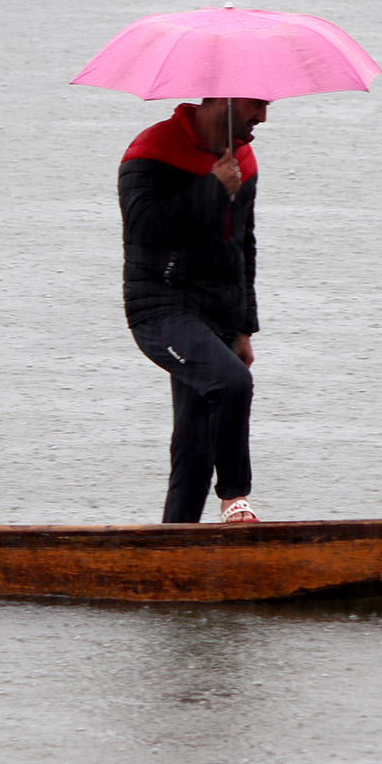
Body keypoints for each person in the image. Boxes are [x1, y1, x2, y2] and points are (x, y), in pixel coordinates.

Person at [119, 96, 269, 524]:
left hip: (219, 315)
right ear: (224, 99)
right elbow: (143, 227)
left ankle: (174, 545)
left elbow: (243, 245)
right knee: (232, 383)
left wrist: (244, 329)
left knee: (196, 447)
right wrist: (213, 188)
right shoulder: (152, 149)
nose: (262, 117)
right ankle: (235, 498)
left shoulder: (244, 160)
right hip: (162, 308)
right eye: (256, 104)